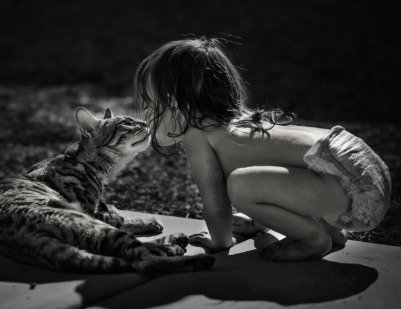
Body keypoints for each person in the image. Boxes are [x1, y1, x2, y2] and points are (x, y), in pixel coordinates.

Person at [133, 37, 392, 262]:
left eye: (150, 104)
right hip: (358, 163)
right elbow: (290, 177)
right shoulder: (240, 123)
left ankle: (313, 238)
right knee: (265, 178)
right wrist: (257, 221)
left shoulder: (197, 135)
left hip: (347, 181)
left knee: (241, 186)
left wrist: (220, 242)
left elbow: (215, 202)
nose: (145, 113)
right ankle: (332, 232)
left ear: (177, 104)